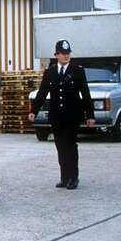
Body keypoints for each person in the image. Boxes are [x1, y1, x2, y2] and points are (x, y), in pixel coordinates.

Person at [29, 39, 95, 189]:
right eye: (63, 53)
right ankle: (64, 177)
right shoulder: (50, 72)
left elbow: (85, 93)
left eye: (68, 53)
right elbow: (42, 93)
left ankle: (73, 177)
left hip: (72, 116)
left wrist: (90, 115)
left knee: (70, 145)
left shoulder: (77, 70)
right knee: (60, 146)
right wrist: (34, 110)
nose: (66, 56)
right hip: (56, 117)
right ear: (57, 54)